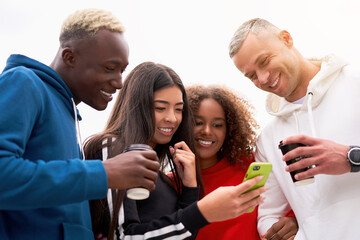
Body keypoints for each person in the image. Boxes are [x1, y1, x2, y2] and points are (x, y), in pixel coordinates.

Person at [0, 9, 160, 240]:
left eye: (122, 70)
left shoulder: (69, 112)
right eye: (109, 68)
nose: (119, 83)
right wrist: (104, 172)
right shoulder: (24, 83)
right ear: (70, 57)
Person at [84, 62, 267, 240]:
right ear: (137, 106)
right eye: (160, 108)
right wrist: (203, 212)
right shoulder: (112, 146)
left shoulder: (165, 178)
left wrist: (189, 189)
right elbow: (122, 235)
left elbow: (182, 235)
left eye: (179, 110)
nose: (172, 118)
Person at [228, 18, 360, 240]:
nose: (262, 78)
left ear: (286, 39)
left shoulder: (354, 84)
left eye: (265, 60)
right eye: (251, 76)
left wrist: (351, 158)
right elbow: (267, 215)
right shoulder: (268, 139)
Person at [186, 85, 298, 240]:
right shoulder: (171, 184)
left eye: (217, 125)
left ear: (229, 130)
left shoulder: (253, 164)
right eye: (197, 122)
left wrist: (294, 219)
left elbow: (301, 195)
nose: (207, 131)